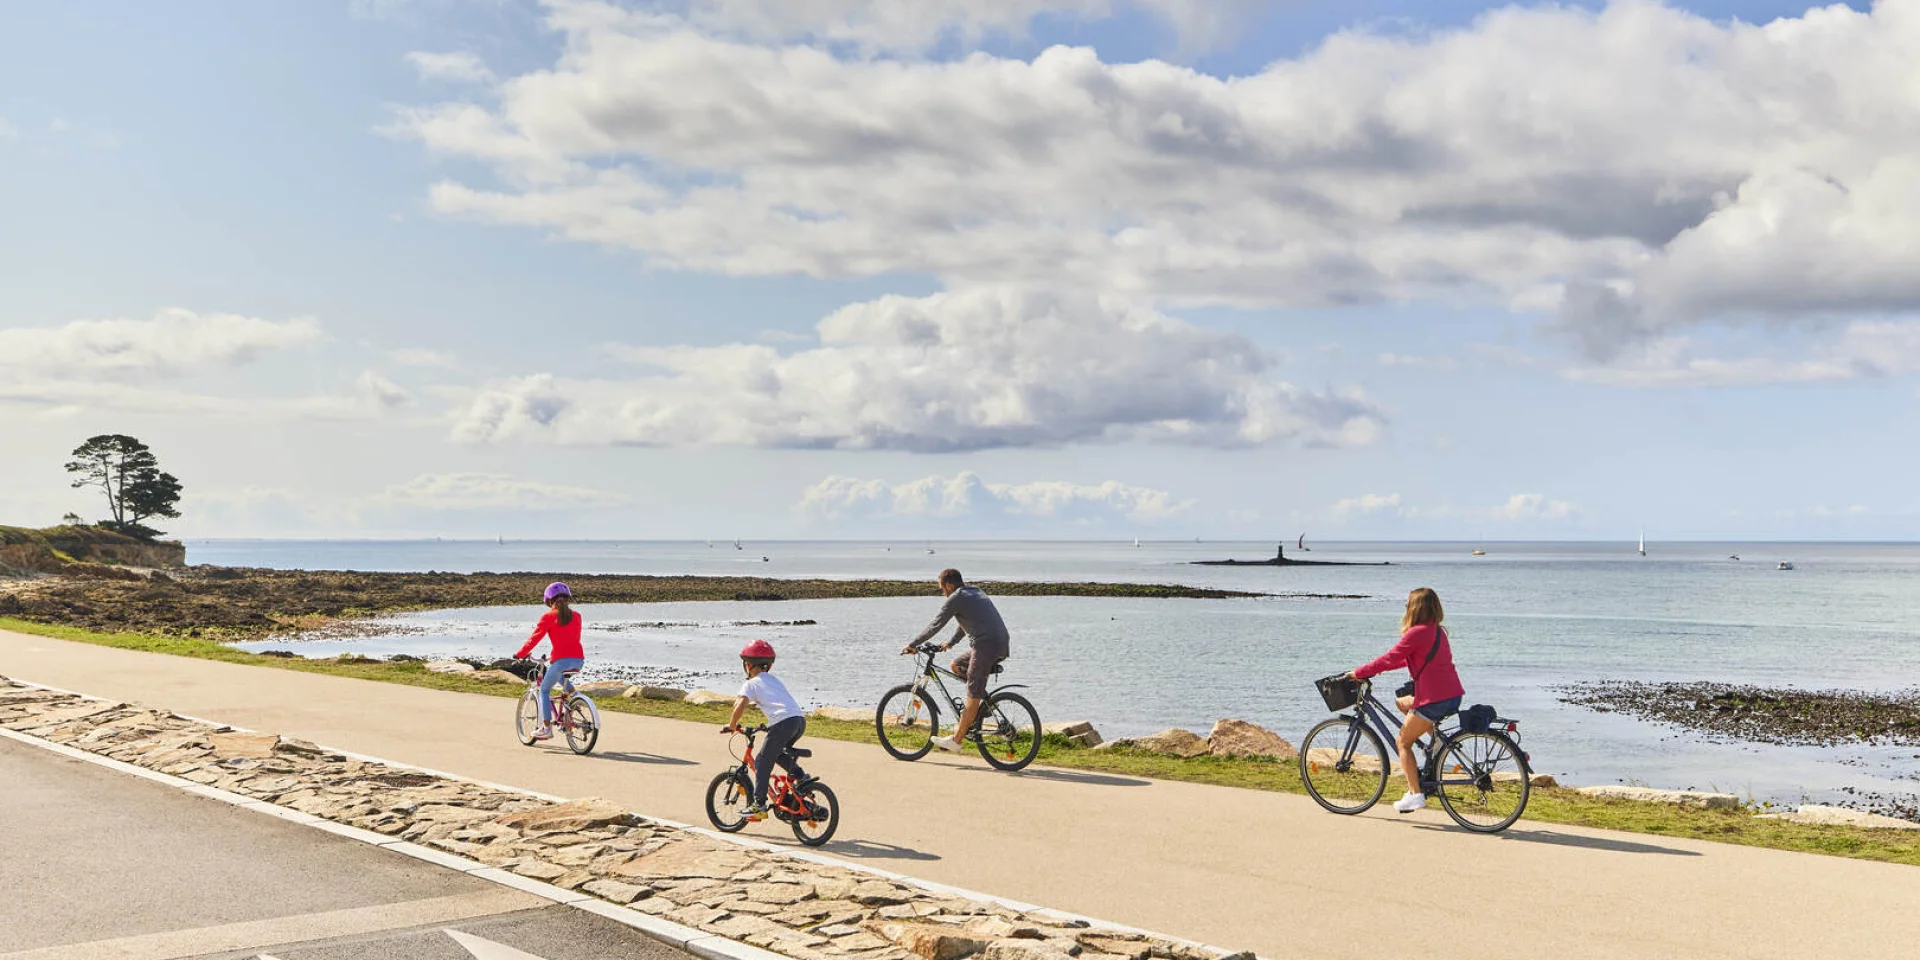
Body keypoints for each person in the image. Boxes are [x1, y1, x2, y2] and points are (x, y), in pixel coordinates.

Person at [1350, 587, 1463, 813]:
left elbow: (1391, 657)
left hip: (1433, 700)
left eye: (1407, 604)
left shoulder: (1416, 633)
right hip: (1452, 695)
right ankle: (1437, 742)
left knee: (1402, 742)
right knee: (1402, 702)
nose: (1405, 607)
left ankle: (1415, 794)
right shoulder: (1439, 632)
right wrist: (1380, 669)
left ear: (1415, 608)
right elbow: (1408, 658)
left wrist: (1359, 672)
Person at [899, 568, 1009, 754]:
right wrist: (950, 643)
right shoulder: (974, 592)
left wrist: (913, 644)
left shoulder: (956, 598)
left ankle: (957, 740)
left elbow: (936, 625)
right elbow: (965, 623)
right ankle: (979, 709)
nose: (943, 593)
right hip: (998, 644)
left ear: (949, 585)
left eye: (942, 589)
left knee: (972, 695)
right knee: (956, 665)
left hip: (985, 646)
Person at [725, 639, 812, 821]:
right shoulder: (774, 680)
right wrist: (769, 725)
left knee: (762, 761)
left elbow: (741, 703)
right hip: (798, 720)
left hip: (783, 723)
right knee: (778, 753)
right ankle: (801, 778)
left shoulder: (751, 683)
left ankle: (759, 805)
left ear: (747, 665)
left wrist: (732, 724)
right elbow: (779, 704)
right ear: (768, 666)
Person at [514, 582, 585, 741]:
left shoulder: (549, 617)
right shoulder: (577, 616)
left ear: (549, 600)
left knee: (545, 690)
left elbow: (534, 638)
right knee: (558, 673)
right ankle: (575, 696)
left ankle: (546, 728)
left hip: (561, 661)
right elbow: (573, 640)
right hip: (579, 660)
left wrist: (520, 654)